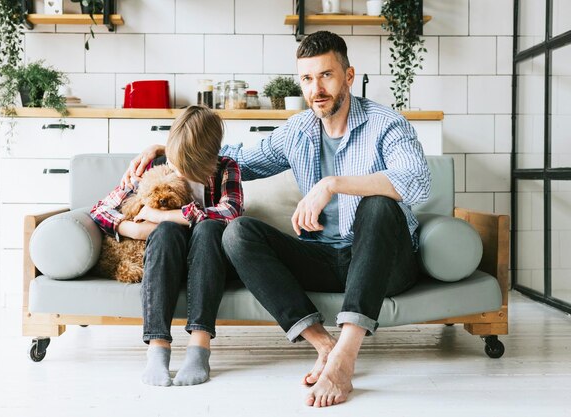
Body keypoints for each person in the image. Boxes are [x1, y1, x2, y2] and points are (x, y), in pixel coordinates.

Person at [121, 31, 431, 406]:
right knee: (236, 232)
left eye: (326, 75)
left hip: (385, 263)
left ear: (348, 76)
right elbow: (236, 160)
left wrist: (332, 184)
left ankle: (344, 360)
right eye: (306, 78)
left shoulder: (387, 124)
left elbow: (417, 180)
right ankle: (323, 343)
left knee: (378, 205)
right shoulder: (298, 131)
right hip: (323, 257)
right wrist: (169, 148)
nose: (316, 88)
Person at [91, 105, 243, 387]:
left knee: (209, 227)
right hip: (166, 256)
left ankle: (199, 349)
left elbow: (231, 212)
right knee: (166, 232)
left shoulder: (226, 168)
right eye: (173, 162)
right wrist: (133, 228)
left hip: (208, 261)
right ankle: (157, 348)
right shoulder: (151, 165)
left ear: (207, 158)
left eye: (185, 165)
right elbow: (100, 210)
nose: (177, 170)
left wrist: (162, 215)